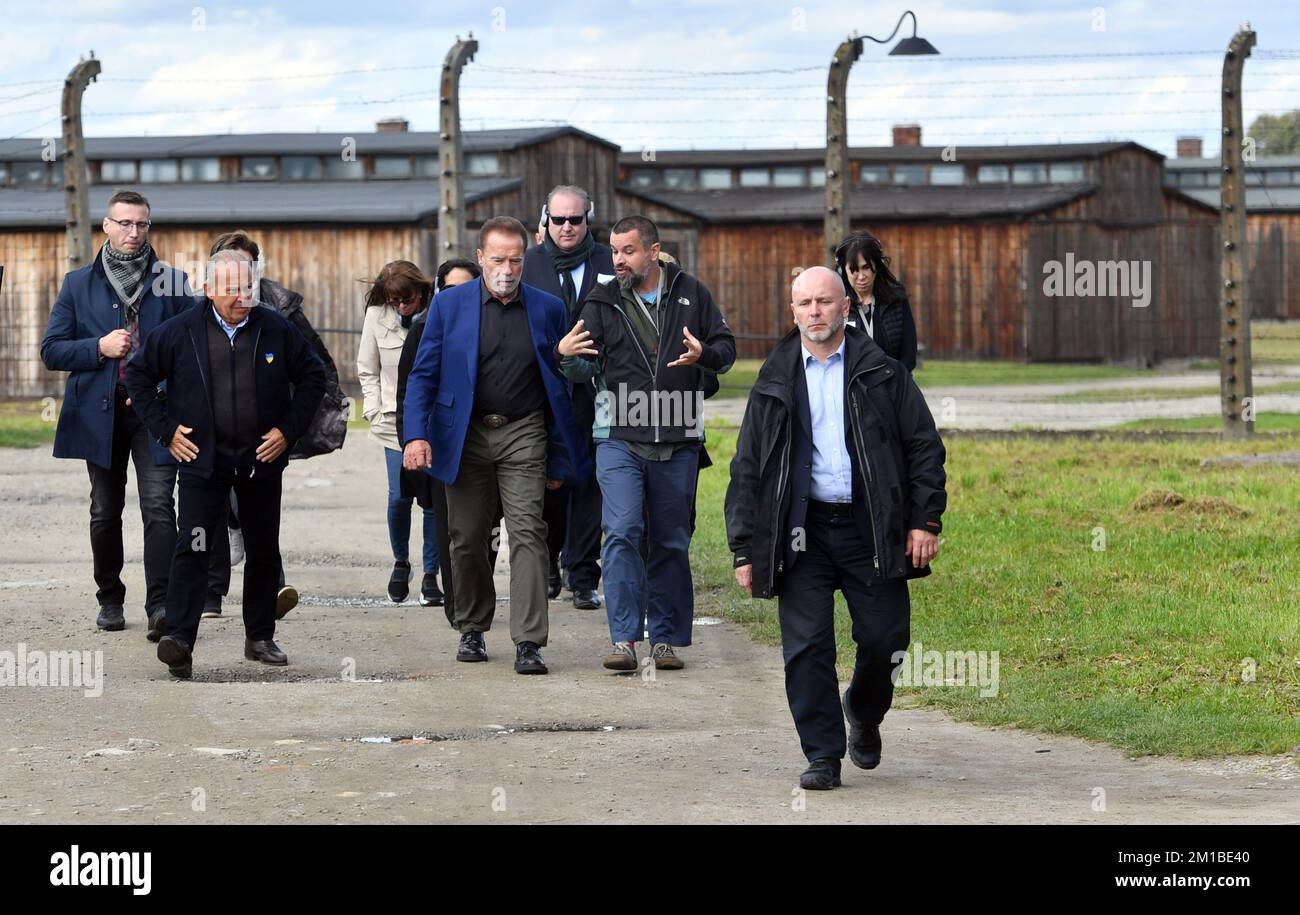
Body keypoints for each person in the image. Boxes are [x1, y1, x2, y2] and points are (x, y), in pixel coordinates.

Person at [724, 265, 946, 791]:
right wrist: (743, 549)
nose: (816, 312)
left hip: (872, 528)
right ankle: (822, 755)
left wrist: (925, 520)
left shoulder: (883, 372)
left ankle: (864, 713)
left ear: (846, 308)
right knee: (806, 649)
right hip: (802, 533)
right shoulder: (775, 378)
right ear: (793, 311)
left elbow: (924, 448)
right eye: (806, 304)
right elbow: (748, 467)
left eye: (826, 302)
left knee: (885, 640)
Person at [125, 250, 326, 678]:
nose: (243, 297)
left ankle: (259, 636)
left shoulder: (275, 328)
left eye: (249, 287)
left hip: (260, 463)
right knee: (194, 547)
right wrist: (166, 431)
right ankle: (179, 640)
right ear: (209, 289)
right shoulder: (179, 332)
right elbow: (138, 377)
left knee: (262, 549)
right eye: (233, 289)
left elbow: (314, 376)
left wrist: (288, 431)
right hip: (203, 465)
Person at [402, 216, 590, 675]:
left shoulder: (548, 308)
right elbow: (423, 374)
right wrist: (416, 434)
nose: (507, 269)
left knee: (528, 534)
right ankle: (471, 626)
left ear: (526, 259)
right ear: (481, 258)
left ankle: (529, 640)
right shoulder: (450, 306)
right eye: (498, 259)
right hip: (463, 434)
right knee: (465, 537)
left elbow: (565, 382)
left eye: (516, 259)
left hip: (524, 432)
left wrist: (560, 452)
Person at [557, 215, 735, 672]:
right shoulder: (600, 300)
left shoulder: (693, 293)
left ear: (653, 252)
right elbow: (580, 367)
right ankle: (623, 640)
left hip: (679, 437)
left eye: (628, 251)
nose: (618, 260)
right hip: (618, 437)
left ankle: (666, 640)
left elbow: (726, 350)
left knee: (671, 540)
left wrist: (704, 356)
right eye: (615, 251)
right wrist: (566, 356)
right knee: (621, 532)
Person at [39, 189, 194, 636]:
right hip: (99, 414)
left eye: (141, 224)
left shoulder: (175, 283)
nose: (133, 232)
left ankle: (160, 607)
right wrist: (98, 348)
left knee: (159, 508)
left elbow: (191, 353)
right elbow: (51, 351)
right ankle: (109, 598)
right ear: (106, 226)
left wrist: (161, 386)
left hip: (155, 415)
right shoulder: (78, 284)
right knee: (104, 510)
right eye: (124, 223)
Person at [202, 230, 347, 620]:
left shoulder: (280, 308)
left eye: (248, 265)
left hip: (267, 427)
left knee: (261, 513)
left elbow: (316, 366)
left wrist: (300, 422)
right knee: (216, 510)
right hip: (214, 430)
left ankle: (271, 592)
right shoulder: (198, 310)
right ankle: (212, 592)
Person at [522, 184, 615, 610]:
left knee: (592, 482)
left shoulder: (608, 260)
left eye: (574, 219)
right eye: (558, 219)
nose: (566, 227)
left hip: (599, 389)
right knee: (550, 480)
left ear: (587, 220)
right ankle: (546, 565)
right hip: (543, 388)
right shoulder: (529, 263)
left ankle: (583, 574)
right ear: (546, 219)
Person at [395, 257, 483, 627]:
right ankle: (459, 609)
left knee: (482, 531)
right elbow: (410, 389)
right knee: (452, 528)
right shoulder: (425, 329)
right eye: (449, 290)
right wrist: (413, 439)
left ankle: (478, 596)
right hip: (441, 441)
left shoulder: (493, 325)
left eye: (465, 289)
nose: (457, 297)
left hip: (487, 439)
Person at [358, 261, 441, 605]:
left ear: (421, 291)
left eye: (406, 299)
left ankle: (431, 574)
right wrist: (375, 411)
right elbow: (367, 369)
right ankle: (401, 561)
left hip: (435, 422)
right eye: (394, 300)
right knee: (399, 497)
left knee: (433, 502)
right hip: (394, 421)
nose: (401, 306)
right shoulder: (377, 317)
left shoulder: (439, 313)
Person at [834, 232, 918, 370]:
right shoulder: (836, 303)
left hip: (893, 384)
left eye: (866, 267)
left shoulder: (896, 298)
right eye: (854, 270)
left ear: (877, 266)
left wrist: (892, 381)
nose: (861, 276)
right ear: (842, 270)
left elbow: (909, 355)